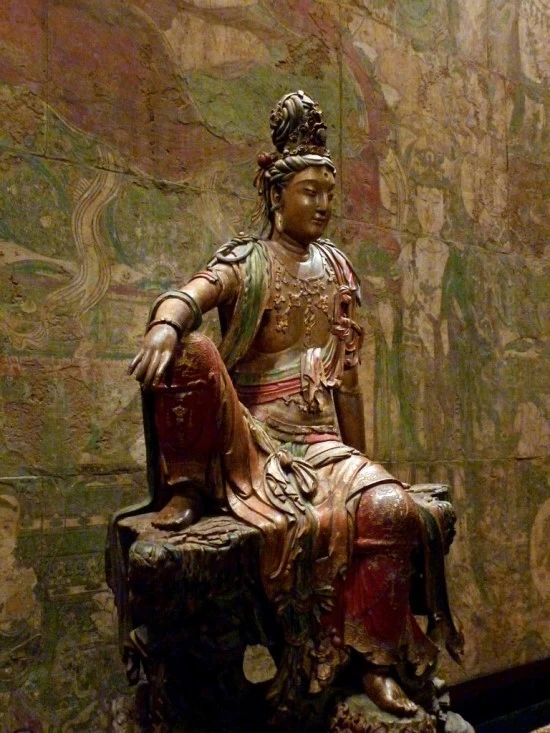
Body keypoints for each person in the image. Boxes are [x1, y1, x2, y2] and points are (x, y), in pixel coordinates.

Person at [129, 91, 462, 718]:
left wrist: (363, 464)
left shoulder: (337, 269)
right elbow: (191, 294)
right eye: (310, 192)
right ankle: (189, 487)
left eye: (329, 193)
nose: (323, 205)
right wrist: (166, 324)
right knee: (193, 351)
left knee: (389, 506)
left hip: (320, 442)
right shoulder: (248, 261)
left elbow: (347, 380)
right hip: (252, 442)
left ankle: (375, 662)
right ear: (276, 195)